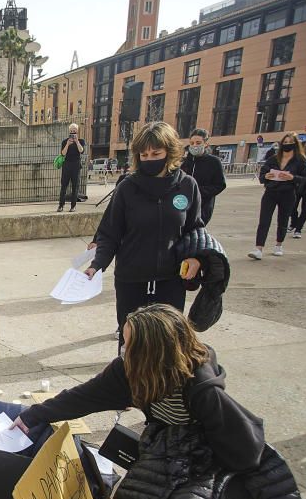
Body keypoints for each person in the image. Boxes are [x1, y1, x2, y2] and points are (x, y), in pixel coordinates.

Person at [12, 303, 304, 499]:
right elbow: (84, 396)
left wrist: (215, 486)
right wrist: (34, 415)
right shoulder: (129, 371)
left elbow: (242, 445)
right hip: (164, 444)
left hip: (210, 451)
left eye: (129, 342)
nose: (123, 347)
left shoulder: (201, 387)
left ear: (155, 350)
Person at [85, 121, 204, 347]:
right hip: (131, 277)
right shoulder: (127, 188)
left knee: (169, 340)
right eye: (144, 154)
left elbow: (195, 228)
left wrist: (196, 257)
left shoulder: (188, 186)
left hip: (171, 278)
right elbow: (110, 232)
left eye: (156, 153)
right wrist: (97, 264)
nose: (150, 159)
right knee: (131, 340)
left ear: (169, 152)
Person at [249, 132, 306, 260]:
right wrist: (266, 176)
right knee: (264, 220)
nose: (287, 145)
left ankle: (279, 244)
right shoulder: (273, 158)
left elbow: (305, 179)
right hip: (271, 192)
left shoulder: (300, 161)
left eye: (290, 142)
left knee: (283, 219)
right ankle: (258, 248)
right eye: (285, 142)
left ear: (295, 144)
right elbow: (263, 173)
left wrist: (292, 177)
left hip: (288, 193)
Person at [180, 128, 226, 225]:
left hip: (203, 206)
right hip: (184, 204)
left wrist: (197, 191)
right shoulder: (186, 162)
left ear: (205, 144)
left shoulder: (214, 162)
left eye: (198, 142)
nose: (194, 145)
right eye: (192, 143)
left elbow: (220, 185)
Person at [57, 123, 85, 213]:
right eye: (71, 130)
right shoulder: (65, 141)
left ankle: (73, 206)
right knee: (64, 186)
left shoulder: (81, 141)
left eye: (74, 130)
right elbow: (63, 153)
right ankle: (61, 205)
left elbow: (81, 151)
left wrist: (77, 142)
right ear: (69, 131)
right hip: (67, 165)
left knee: (75, 186)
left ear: (77, 131)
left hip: (76, 165)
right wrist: (68, 144)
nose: (73, 131)